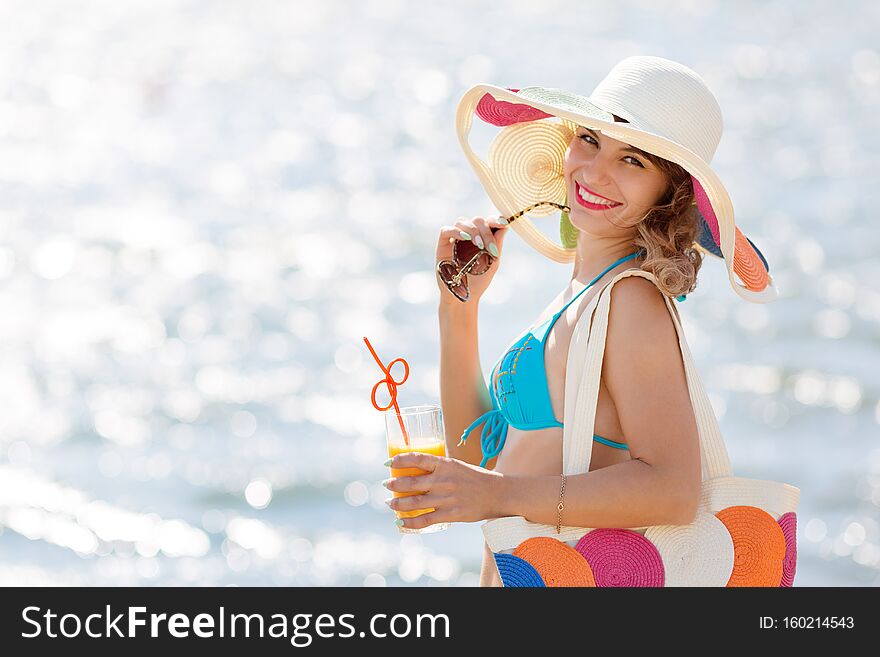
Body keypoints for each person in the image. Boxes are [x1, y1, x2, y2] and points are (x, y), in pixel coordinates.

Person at [381, 56, 775, 587]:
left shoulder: (631, 301)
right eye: (589, 139)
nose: (594, 171)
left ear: (670, 194)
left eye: (632, 160)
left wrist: (496, 495)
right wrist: (458, 309)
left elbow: (674, 491)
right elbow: (479, 455)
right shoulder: (583, 296)